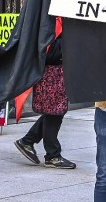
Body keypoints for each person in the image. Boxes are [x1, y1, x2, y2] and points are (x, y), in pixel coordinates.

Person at [14, 29, 76, 169]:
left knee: (54, 111)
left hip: (56, 72)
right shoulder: (52, 23)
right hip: (52, 73)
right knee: (54, 112)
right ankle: (52, 155)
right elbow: (50, 51)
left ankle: (27, 141)